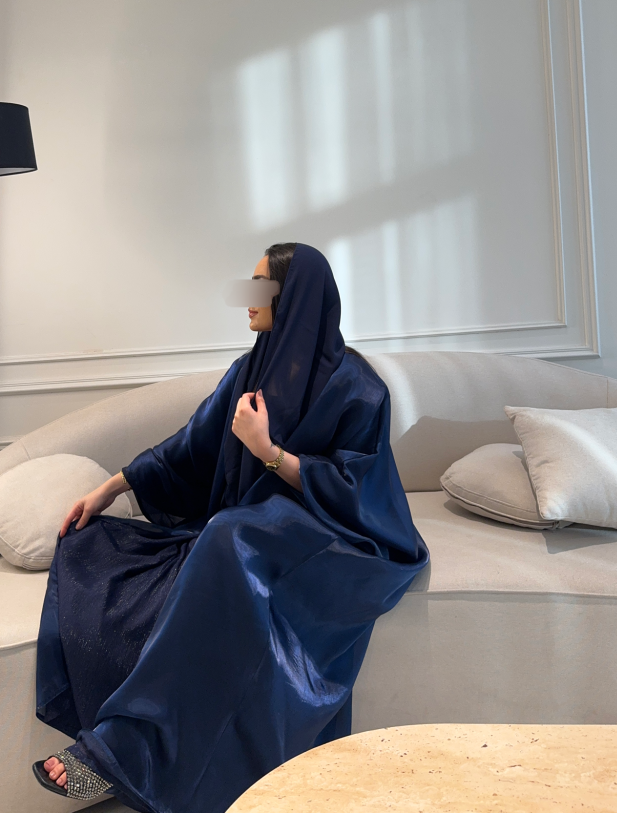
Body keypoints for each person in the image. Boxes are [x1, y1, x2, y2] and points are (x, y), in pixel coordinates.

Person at [33, 242, 429, 812]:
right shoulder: (250, 369)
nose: (247, 298)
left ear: (294, 297)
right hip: (257, 526)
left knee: (228, 536)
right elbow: (191, 447)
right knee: (109, 546)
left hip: (338, 537)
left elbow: (357, 490)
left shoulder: (359, 388)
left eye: (261, 286)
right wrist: (111, 487)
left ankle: (118, 753)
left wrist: (267, 452)